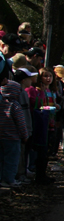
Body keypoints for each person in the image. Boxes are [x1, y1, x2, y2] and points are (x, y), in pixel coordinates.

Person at [0, 54, 27, 190]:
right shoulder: (15, 106)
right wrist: (24, 135)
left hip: (1, 137)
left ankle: (1, 179)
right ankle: (10, 179)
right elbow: (21, 123)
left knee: (1, 160)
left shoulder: (1, 103)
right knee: (12, 161)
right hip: (13, 138)